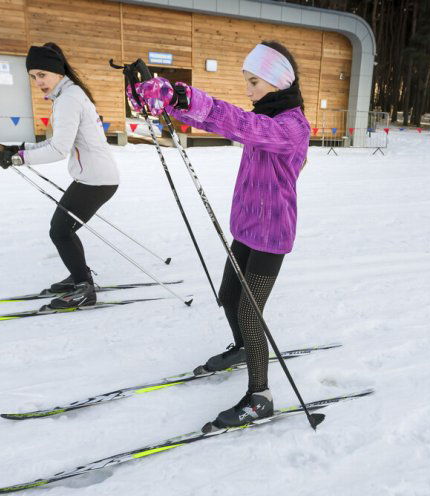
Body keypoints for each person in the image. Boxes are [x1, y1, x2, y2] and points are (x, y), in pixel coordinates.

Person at [129, 41, 309, 427]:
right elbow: (220, 121)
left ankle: (260, 395)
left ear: (277, 82)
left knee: (249, 311)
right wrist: (167, 101)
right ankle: (245, 348)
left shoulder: (290, 126)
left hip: (272, 234)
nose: (248, 91)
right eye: (246, 82)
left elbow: (239, 124)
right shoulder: (266, 114)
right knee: (229, 295)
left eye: (254, 82)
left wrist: (181, 94)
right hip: (246, 226)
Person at [0, 43, 119, 310]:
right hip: (94, 177)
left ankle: (84, 288)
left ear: (57, 72)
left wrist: (17, 159)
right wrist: (20, 148)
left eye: (42, 75)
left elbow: (59, 149)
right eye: (33, 76)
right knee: (63, 230)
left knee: (60, 231)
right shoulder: (68, 94)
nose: (37, 82)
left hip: (97, 180)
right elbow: (57, 142)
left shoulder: (69, 99)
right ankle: (81, 278)